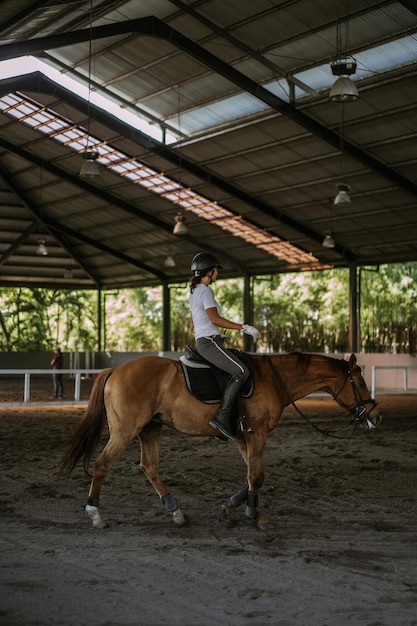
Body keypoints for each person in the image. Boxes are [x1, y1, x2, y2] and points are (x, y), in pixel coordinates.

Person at [189, 252, 260, 440]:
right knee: (241, 372)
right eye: (216, 271)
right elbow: (215, 318)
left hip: (206, 340)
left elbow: (197, 322)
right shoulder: (205, 291)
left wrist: (216, 333)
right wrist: (243, 327)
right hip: (208, 342)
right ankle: (222, 417)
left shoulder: (194, 292)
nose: (217, 274)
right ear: (210, 272)